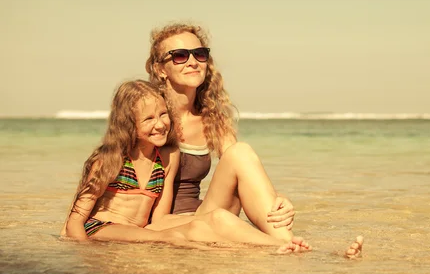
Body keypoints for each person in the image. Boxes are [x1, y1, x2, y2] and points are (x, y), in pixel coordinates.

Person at [144, 23, 363, 257]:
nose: (192, 62)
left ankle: (294, 247)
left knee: (240, 152)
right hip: (167, 224)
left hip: (206, 215)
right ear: (160, 69)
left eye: (199, 54)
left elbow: (242, 168)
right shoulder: (151, 118)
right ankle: (308, 253)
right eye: (179, 56)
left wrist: (278, 200)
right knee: (229, 196)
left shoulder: (211, 116)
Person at [61, 80, 313, 254]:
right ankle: (272, 250)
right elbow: (75, 222)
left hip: (144, 229)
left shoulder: (166, 159)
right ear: (128, 123)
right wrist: (85, 258)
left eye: (163, 115)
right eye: (148, 118)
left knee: (213, 220)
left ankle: (277, 245)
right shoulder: (108, 160)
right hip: (102, 229)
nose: (159, 124)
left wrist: (205, 220)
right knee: (176, 237)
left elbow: (159, 219)